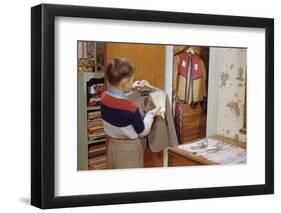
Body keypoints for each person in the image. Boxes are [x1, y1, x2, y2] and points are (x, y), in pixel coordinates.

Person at [100, 57, 161, 169]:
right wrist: (151, 114)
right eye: (131, 80)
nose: (133, 82)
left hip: (112, 145)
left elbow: (117, 99)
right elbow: (143, 131)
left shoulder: (104, 97)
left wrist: (131, 88)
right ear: (124, 83)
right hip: (129, 150)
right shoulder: (130, 108)